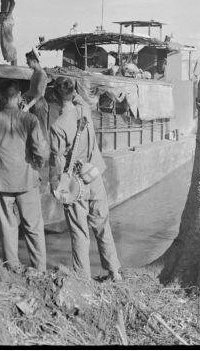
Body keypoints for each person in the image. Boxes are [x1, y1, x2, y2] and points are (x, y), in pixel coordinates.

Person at [49, 77, 121, 281]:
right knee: (102, 223)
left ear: (54, 96)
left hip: (76, 184)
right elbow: (79, 98)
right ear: (73, 93)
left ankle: (84, 278)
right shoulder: (85, 111)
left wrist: (56, 186)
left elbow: (57, 161)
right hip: (95, 175)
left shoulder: (58, 126)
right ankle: (114, 271)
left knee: (80, 231)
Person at [0, 80, 48, 271]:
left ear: (1, 97)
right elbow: (40, 152)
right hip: (27, 180)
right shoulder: (30, 120)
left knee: (8, 227)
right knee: (33, 226)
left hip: (3, 181)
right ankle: (39, 268)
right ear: (19, 96)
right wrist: (39, 163)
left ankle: (12, 268)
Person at [23, 48, 49, 140]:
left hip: (40, 105)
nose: (27, 64)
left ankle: (45, 151)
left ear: (34, 61)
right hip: (34, 103)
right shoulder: (35, 73)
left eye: (28, 62)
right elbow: (32, 90)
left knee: (42, 130)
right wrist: (23, 95)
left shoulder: (42, 74)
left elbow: (39, 94)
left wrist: (28, 106)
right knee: (34, 130)